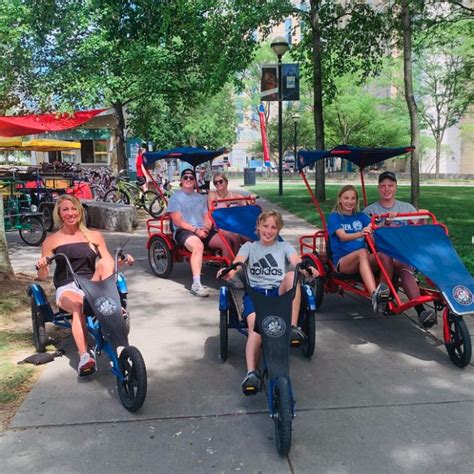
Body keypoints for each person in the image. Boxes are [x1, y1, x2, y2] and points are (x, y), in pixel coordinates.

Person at [217, 210, 318, 395]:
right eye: (265, 226)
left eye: (273, 227)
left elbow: (296, 261)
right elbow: (238, 263)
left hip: (276, 292)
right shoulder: (249, 246)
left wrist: (305, 269)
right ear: (258, 227)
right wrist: (228, 272)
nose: (269, 230)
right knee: (256, 330)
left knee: (291, 275)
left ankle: (293, 328)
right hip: (255, 294)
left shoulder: (284, 247)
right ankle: (251, 373)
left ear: (278, 229)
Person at [36, 195, 134, 376]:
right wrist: (42, 265)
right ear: (59, 213)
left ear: (80, 212)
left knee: (103, 263)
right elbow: (43, 276)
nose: (70, 213)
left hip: (92, 284)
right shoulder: (52, 240)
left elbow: (108, 265)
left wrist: (122, 262)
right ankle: (84, 357)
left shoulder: (94, 235)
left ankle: (113, 304)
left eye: (74, 209)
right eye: (65, 209)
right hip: (68, 286)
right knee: (78, 305)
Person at [363, 171, 435, 325]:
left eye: (390, 185)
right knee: (401, 263)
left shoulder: (407, 207)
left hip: (404, 254)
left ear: (396, 187)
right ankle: (417, 309)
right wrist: (384, 224)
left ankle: (422, 311)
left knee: (405, 265)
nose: (387, 189)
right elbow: (367, 238)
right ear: (378, 188)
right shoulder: (370, 211)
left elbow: (419, 233)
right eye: (383, 186)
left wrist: (421, 217)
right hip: (379, 254)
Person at [167, 168, 233, 298]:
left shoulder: (200, 197)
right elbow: (177, 221)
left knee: (226, 240)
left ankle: (230, 275)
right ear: (181, 180)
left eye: (191, 178)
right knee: (198, 246)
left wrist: (207, 228)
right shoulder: (176, 197)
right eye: (185, 177)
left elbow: (207, 216)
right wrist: (196, 230)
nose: (188, 180)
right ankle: (196, 284)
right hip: (184, 231)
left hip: (202, 229)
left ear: (195, 180)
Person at [327, 185, 390, 314]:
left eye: (353, 198)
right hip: (344, 262)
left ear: (356, 200)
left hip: (363, 259)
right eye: (346, 198)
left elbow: (374, 228)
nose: (350, 202)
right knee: (363, 252)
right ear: (339, 200)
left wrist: (386, 222)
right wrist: (361, 233)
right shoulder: (335, 217)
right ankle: (374, 295)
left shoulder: (361, 216)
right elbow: (342, 237)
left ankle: (383, 291)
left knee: (384, 255)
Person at [207, 172, 256, 255]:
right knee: (235, 237)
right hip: (220, 225)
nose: (218, 184)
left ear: (226, 182)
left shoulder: (234, 195)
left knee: (251, 237)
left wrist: (250, 199)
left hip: (234, 225)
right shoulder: (213, 195)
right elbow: (212, 209)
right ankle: (235, 262)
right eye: (215, 182)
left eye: (220, 181)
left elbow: (246, 206)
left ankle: (252, 259)